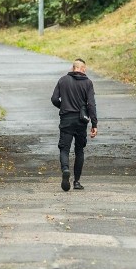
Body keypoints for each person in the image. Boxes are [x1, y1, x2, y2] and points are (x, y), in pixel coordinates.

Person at [50, 58, 98, 192]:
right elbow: (91, 104)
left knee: (64, 149)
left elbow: (54, 99)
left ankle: (65, 169)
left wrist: (63, 106)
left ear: (73, 68)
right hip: (81, 121)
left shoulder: (63, 80)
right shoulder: (88, 83)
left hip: (66, 119)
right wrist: (94, 123)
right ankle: (77, 181)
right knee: (79, 150)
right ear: (82, 69)